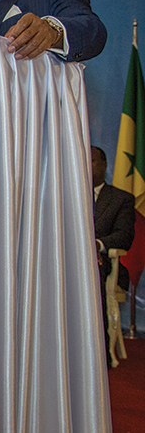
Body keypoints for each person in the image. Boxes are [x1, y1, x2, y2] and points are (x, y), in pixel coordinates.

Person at [91, 146, 136, 361]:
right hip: (66, 262)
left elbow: (124, 236)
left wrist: (96, 245)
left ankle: (99, 356)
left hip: (103, 264)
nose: (86, 165)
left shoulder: (121, 199)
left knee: (93, 272)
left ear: (104, 165)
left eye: (91, 160)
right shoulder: (65, 196)